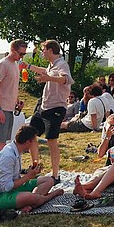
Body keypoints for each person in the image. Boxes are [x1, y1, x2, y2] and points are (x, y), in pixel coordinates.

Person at [0, 125, 63, 212]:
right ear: (28, 142)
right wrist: (28, 176)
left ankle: (31, 203)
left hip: (13, 189)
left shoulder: (16, 150)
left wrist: (30, 173)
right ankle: (49, 196)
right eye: (34, 142)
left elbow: (14, 178)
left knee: (49, 180)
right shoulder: (7, 156)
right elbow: (7, 187)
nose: (35, 145)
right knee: (31, 197)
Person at [25, 40, 74, 182]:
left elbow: (66, 79)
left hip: (56, 108)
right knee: (30, 134)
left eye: (43, 50)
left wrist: (48, 78)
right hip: (44, 107)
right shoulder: (51, 65)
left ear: (51, 50)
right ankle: (35, 167)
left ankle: (55, 175)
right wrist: (27, 66)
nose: (42, 52)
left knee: (51, 141)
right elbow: (43, 70)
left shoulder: (62, 64)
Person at [73, 113, 114, 199]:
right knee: (99, 176)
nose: (113, 128)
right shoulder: (111, 138)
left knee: (99, 178)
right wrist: (107, 137)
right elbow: (100, 154)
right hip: (108, 169)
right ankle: (83, 188)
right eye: (111, 126)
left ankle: (84, 188)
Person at [0, 39, 28, 161]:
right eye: (20, 54)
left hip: (9, 109)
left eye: (24, 54)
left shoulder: (15, 65)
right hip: (0, 109)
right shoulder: (2, 64)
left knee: (4, 144)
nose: (22, 57)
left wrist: (16, 101)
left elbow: (9, 87)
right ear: (12, 50)